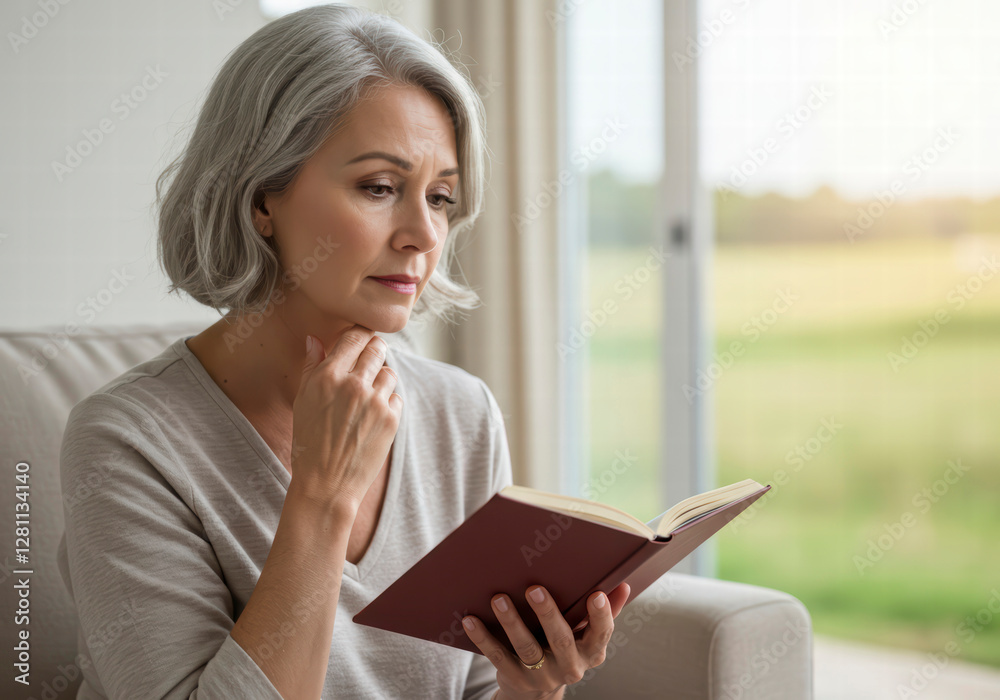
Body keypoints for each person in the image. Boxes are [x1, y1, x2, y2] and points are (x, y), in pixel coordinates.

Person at [57, 4, 629, 699]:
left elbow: (477, 688)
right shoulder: (127, 441)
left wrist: (535, 688)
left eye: (440, 197)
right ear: (261, 199)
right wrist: (321, 495)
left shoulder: (462, 414)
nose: (424, 234)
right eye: (379, 188)